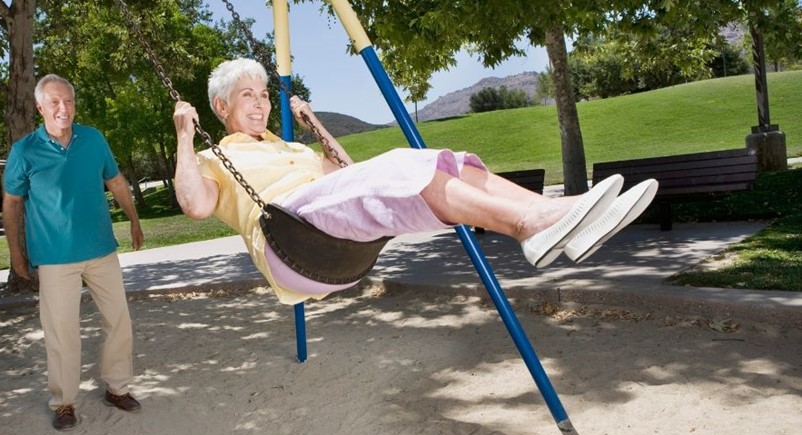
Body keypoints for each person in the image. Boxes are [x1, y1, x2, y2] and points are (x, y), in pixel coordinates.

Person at [172, 58, 657, 305]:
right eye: (247, 97)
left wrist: (314, 123)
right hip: (291, 242)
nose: (259, 104)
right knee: (405, 166)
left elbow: (345, 174)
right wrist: (184, 137)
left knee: (444, 162)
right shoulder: (214, 157)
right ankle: (531, 225)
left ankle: (560, 213)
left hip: (329, 234)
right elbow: (195, 205)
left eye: (262, 95)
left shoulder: (292, 149)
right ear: (222, 108)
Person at [3, 74, 145, 431]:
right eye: (54, 102)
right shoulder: (24, 151)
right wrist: (16, 254)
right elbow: (12, 203)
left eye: (68, 101)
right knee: (62, 331)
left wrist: (134, 219)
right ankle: (64, 402)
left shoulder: (93, 139)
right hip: (53, 257)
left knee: (119, 320)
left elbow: (115, 180)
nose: (62, 108)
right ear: (40, 108)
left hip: (100, 248)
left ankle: (117, 387)